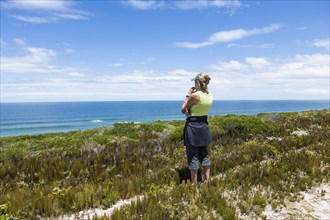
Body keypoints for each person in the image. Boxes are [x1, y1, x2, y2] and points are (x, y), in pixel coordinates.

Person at [181, 73, 213, 184]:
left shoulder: (194, 96)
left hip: (193, 127)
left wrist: (187, 95)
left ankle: (193, 184)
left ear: (198, 83)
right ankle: (206, 180)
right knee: (204, 153)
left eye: (195, 82)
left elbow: (183, 109)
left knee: (192, 155)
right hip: (204, 125)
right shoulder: (210, 95)